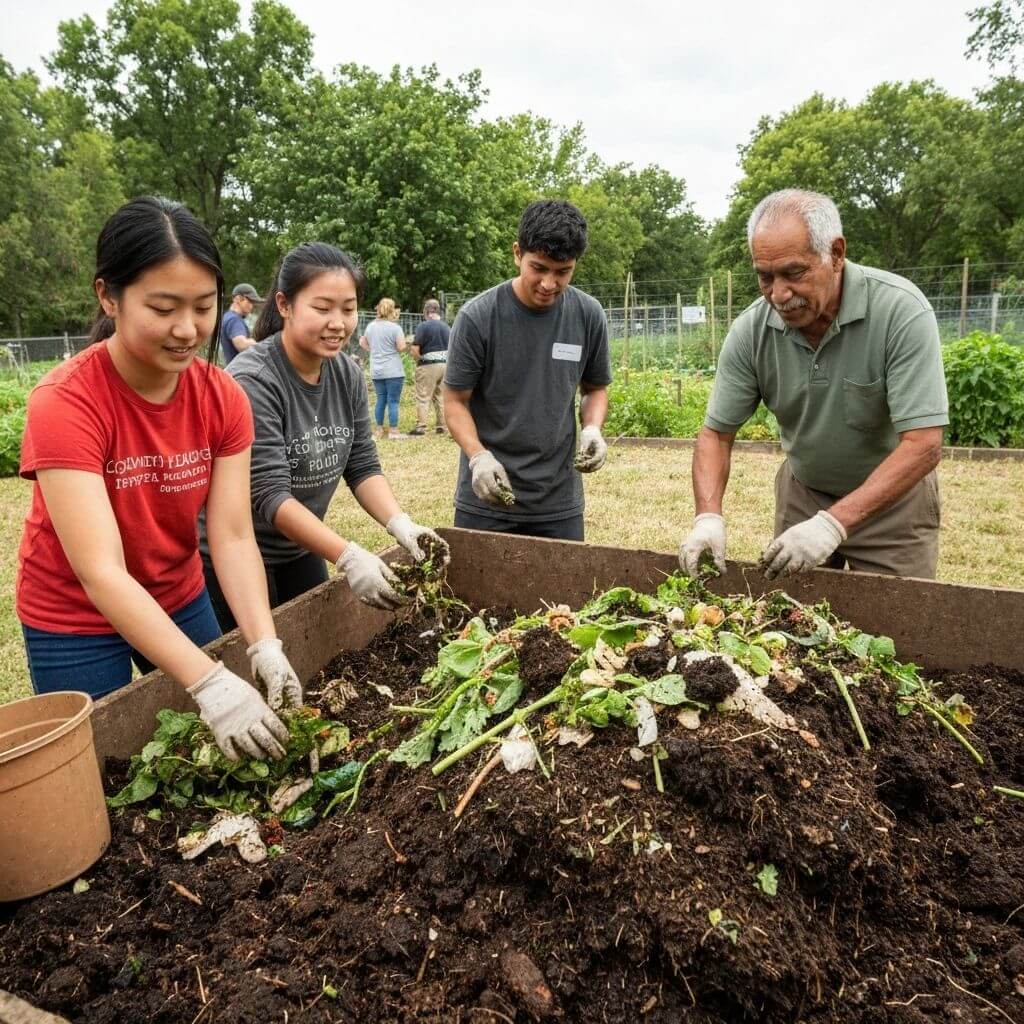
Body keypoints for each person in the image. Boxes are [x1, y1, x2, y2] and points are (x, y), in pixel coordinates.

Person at [16, 197, 300, 763]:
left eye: (203, 306)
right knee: (106, 772)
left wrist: (263, 641)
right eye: (164, 307)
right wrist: (210, 682)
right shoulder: (65, 402)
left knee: (209, 757)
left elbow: (233, 535)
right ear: (108, 296)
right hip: (73, 616)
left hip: (177, 594)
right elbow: (100, 572)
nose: (187, 329)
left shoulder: (222, 397)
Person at [679, 188, 948, 582]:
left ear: (836, 254)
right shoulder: (752, 331)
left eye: (794, 273)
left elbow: (923, 445)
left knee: (896, 627)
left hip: (894, 505)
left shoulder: (900, 312)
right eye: (765, 277)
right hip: (805, 494)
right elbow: (716, 435)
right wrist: (707, 515)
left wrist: (833, 524)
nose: (779, 294)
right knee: (792, 626)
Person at [200, 242, 448, 626]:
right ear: (284, 305)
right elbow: (269, 494)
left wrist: (401, 523)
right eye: (322, 308)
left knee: (317, 649)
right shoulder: (254, 380)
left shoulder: (345, 373)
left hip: (299, 546)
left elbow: (362, 465)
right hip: (235, 556)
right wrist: (348, 555)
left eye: (348, 309)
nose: (339, 322)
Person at [443, 199, 611, 541]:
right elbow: (455, 401)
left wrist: (593, 428)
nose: (549, 283)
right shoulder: (478, 317)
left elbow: (594, 388)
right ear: (517, 253)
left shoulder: (588, 315)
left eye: (562, 271)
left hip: (557, 499)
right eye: (539, 268)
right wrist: (478, 457)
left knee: (563, 594)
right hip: (487, 496)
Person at [359, 297, 407, 439]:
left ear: (378, 309)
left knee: (380, 399)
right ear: (392, 310)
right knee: (393, 401)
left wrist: (373, 349)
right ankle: (393, 431)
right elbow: (401, 347)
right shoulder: (395, 328)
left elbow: (364, 344)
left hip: (377, 370)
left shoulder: (370, 327)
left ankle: (378, 430)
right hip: (393, 370)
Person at [409, 298, 450, 435]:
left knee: (423, 396)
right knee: (440, 396)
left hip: (428, 364)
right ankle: (442, 426)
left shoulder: (423, 326)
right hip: (445, 365)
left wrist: (419, 361)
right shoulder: (446, 327)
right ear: (438, 311)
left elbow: (415, 349)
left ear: (426, 311)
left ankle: (421, 427)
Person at [220, 283, 262, 365]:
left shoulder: (227, 316)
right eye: (250, 301)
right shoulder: (234, 319)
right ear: (238, 299)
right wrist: (262, 345)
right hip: (239, 373)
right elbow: (241, 345)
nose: (251, 306)